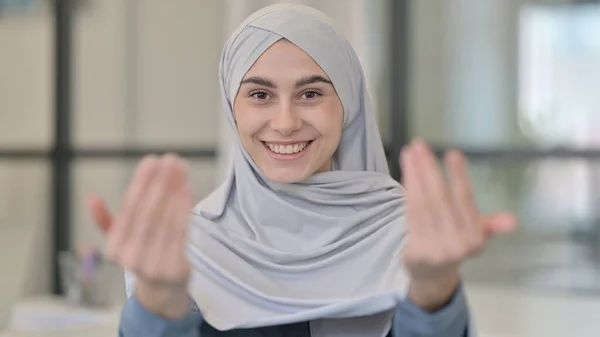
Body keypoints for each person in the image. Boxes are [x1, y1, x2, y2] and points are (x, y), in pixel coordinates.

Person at [89, 4, 517, 337]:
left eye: (311, 93)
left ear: (347, 104)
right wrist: (159, 300)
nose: (286, 121)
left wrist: (433, 290)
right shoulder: (193, 245)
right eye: (260, 94)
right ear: (231, 107)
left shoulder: (411, 234)